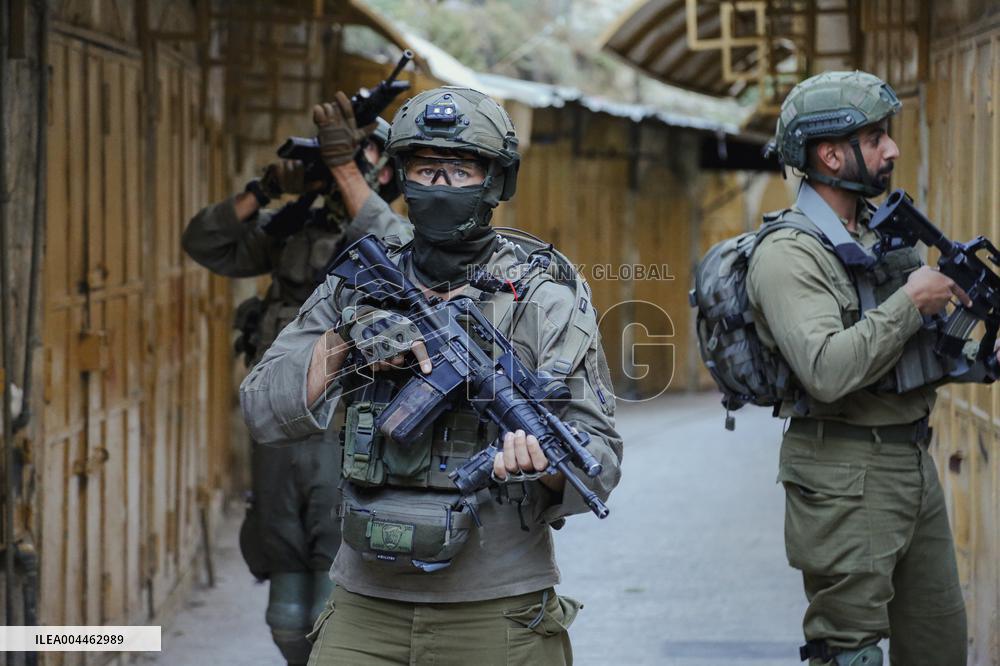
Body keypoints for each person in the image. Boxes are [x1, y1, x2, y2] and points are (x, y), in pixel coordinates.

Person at [240, 86, 622, 665]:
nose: (440, 186)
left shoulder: (544, 301)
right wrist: (349, 342)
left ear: (495, 183)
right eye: (425, 169)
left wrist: (541, 470)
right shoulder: (356, 288)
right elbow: (261, 409)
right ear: (402, 176)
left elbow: (599, 463)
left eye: (460, 170)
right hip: (365, 609)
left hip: (497, 609)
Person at [749, 70, 1000, 666]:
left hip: (911, 462)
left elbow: (912, 359)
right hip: (841, 472)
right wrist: (910, 303)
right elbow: (827, 371)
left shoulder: (881, 237)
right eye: (875, 137)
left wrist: (982, 361)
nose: (891, 149)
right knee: (850, 652)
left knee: (939, 643)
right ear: (831, 154)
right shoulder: (789, 253)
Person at [182, 93, 411, 666]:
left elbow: (391, 246)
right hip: (281, 424)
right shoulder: (295, 230)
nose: (347, 173)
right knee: (284, 570)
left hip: (349, 426)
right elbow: (206, 242)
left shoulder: (395, 237)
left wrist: (345, 171)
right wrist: (264, 190)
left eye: (362, 160)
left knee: (339, 558)